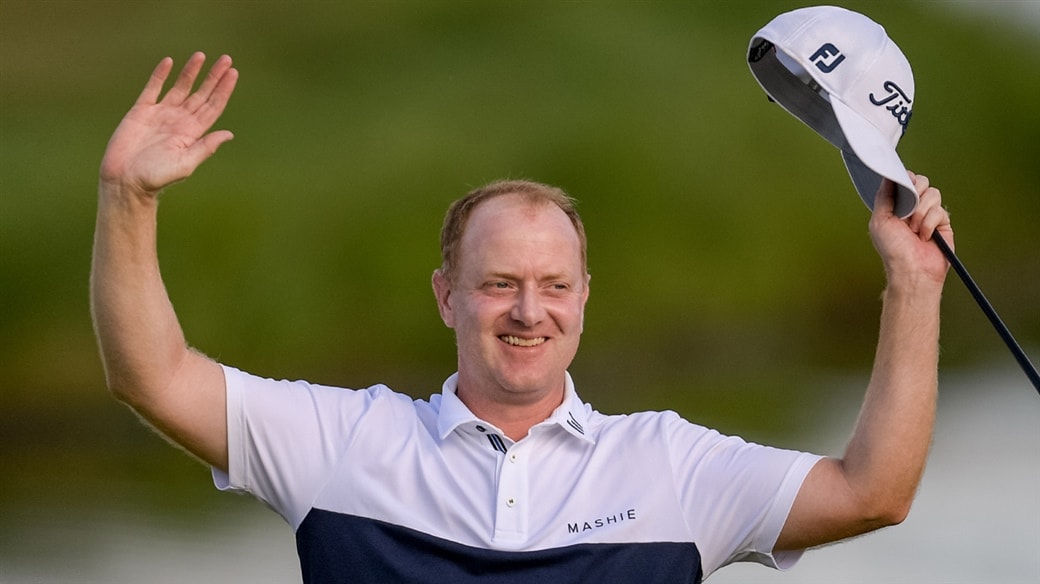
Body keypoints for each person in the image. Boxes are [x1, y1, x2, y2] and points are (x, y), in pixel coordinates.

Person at [92, 53, 953, 583]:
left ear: (583, 298)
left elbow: (872, 494)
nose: (529, 311)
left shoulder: (668, 466)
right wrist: (128, 198)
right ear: (447, 296)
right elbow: (152, 378)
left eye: (553, 285)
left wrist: (913, 289)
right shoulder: (344, 445)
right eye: (499, 284)